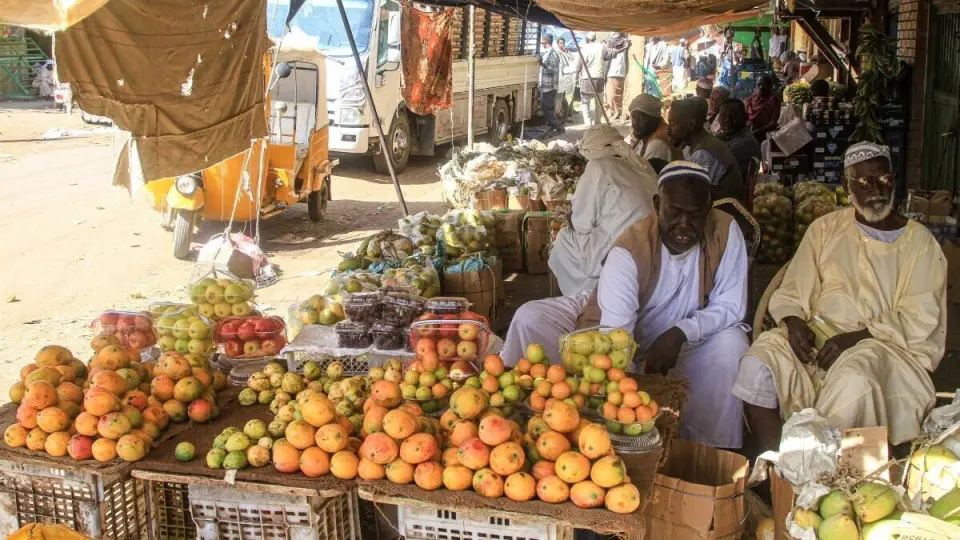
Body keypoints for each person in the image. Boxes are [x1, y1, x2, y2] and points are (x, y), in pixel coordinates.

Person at [504, 162, 750, 449]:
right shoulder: (629, 249)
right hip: (610, 317)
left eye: (694, 214)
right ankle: (524, 422)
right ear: (658, 205)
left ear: (708, 207)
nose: (684, 224)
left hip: (690, 333)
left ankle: (708, 448)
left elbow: (731, 306)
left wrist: (679, 333)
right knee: (529, 317)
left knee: (732, 344)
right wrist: (630, 400)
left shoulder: (726, 231)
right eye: (675, 212)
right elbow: (616, 338)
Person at [734, 143, 947, 452]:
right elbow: (794, 288)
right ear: (848, 187)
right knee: (758, 362)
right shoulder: (825, 229)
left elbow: (921, 316)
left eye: (882, 178)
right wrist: (793, 322)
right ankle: (780, 469)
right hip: (816, 339)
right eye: (863, 181)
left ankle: (823, 472)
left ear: (894, 180)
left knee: (854, 381)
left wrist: (857, 337)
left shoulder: (921, 244)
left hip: (884, 347)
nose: (875, 189)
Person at [548, 126, 659, 296]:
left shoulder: (598, 166)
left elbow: (582, 224)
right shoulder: (639, 162)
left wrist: (570, 218)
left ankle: (579, 297)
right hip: (651, 240)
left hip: (619, 244)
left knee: (562, 241)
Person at [667, 98, 744, 203]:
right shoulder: (691, 147)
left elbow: (692, 199)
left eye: (672, 123)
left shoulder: (704, 154)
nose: (668, 129)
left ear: (691, 124)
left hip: (725, 215)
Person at [627, 94, 680, 172]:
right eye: (634, 117)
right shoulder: (646, 133)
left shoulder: (658, 143)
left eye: (642, 118)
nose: (635, 123)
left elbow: (644, 176)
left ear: (654, 118)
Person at [570, 32, 614, 126]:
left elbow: (579, 64)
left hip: (587, 78)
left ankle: (588, 123)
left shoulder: (584, 48)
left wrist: (577, 75)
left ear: (587, 39)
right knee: (599, 103)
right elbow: (609, 55)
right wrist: (622, 48)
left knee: (585, 103)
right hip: (599, 78)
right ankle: (597, 122)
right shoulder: (601, 47)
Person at [718, 99, 761, 182]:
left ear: (745, 117)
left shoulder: (745, 143)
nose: (727, 120)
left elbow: (715, 169)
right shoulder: (729, 137)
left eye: (733, 116)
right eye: (723, 115)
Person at [539, 34, 564, 134]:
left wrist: (543, 65)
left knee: (547, 108)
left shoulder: (552, 53)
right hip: (546, 86)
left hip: (550, 87)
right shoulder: (548, 53)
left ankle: (559, 127)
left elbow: (554, 69)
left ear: (545, 42)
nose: (541, 44)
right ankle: (551, 126)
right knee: (547, 108)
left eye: (542, 42)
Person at [605, 33, 631, 121]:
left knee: (616, 94)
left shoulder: (625, 43)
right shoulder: (610, 44)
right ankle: (610, 111)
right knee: (609, 94)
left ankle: (617, 112)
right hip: (610, 71)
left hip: (619, 71)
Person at [745, 75, 780, 139]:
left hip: (764, 133)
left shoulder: (773, 100)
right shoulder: (751, 98)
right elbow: (745, 115)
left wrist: (757, 131)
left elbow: (773, 123)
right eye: (759, 84)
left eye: (764, 85)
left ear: (770, 87)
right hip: (748, 131)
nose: (761, 87)